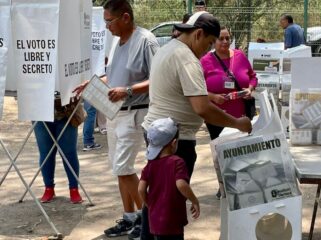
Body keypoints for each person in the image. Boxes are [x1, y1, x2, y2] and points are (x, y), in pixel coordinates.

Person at [139, 11, 251, 240]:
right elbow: (201, 108)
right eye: (209, 43)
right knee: (170, 208)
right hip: (174, 143)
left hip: (158, 134)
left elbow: (184, 93)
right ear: (198, 34)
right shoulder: (187, 58)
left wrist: (208, 96)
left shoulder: (169, 49)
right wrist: (237, 123)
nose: (209, 49)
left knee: (157, 199)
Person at [74, 0, 159, 237]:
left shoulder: (145, 40)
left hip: (136, 112)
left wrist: (129, 91)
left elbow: (158, 78)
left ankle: (149, 218)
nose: (107, 26)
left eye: (109, 21)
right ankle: (130, 217)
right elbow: (112, 76)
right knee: (118, 168)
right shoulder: (115, 42)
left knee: (123, 167)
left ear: (125, 17)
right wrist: (92, 83)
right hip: (114, 113)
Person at [200, 26, 257, 199]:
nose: (225, 42)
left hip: (240, 114)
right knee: (220, 151)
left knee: (240, 151)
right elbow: (197, 89)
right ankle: (223, 184)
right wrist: (213, 97)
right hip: (216, 114)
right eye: (221, 38)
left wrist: (250, 88)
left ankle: (242, 184)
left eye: (228, 38)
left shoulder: (239, 56)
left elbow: (253, 76)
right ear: (213, 41)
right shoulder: (204, 61)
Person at [138, 118, 200, 240]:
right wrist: (194, 200)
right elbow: (181, 185)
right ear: (174, 143)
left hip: (155, 220)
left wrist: (149, 203)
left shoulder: (150, 165)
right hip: (173, 219)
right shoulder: (177, 162)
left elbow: (141, 189)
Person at [34, 96, 83, 204]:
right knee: (46, 152)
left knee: (69, 153)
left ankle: (74, 189)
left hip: (67, 110)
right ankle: (48, 188)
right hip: (39, 111)